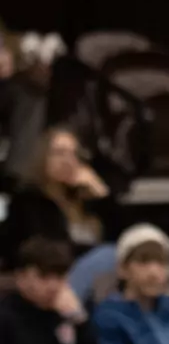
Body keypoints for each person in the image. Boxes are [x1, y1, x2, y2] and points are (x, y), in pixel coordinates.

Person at [1, 127, 119, 302]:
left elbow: (125, 237)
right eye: (59, 153)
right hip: (51, 275)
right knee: (109, 254)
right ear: (44, 159)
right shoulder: (29, 200)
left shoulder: (87, 200)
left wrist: (102, 195)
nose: (68, 161)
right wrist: (90, 252)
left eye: (73, 154)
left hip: (94, 280)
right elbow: (47, 248)